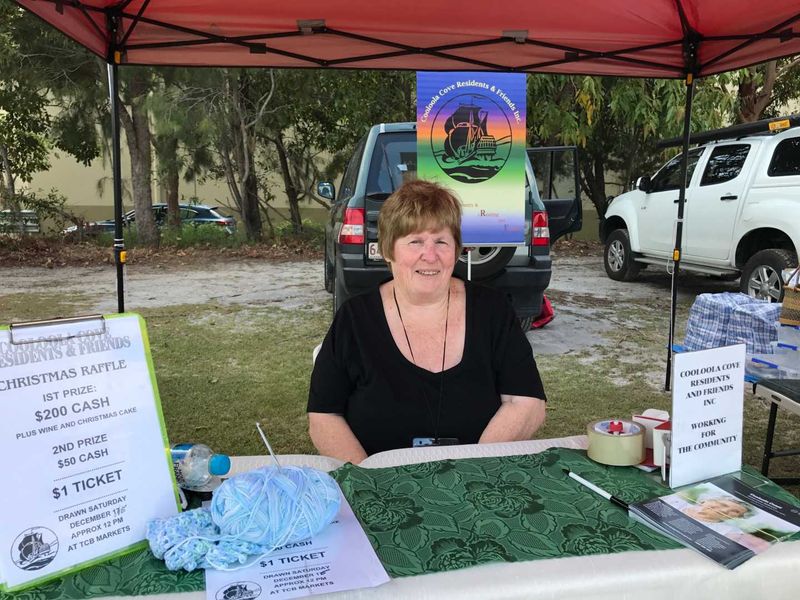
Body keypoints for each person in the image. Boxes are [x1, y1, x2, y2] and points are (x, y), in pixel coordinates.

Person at [307, 179, 546, 463]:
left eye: (441, 241)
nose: (430, 256)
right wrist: (367, 482)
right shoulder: (355, 319)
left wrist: (473, 465)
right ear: (387, 250)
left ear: (457, 249)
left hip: (477, 479)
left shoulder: (492, 311)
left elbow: (527, 403)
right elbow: (324, 416)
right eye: (415, 241)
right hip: (382, 486)